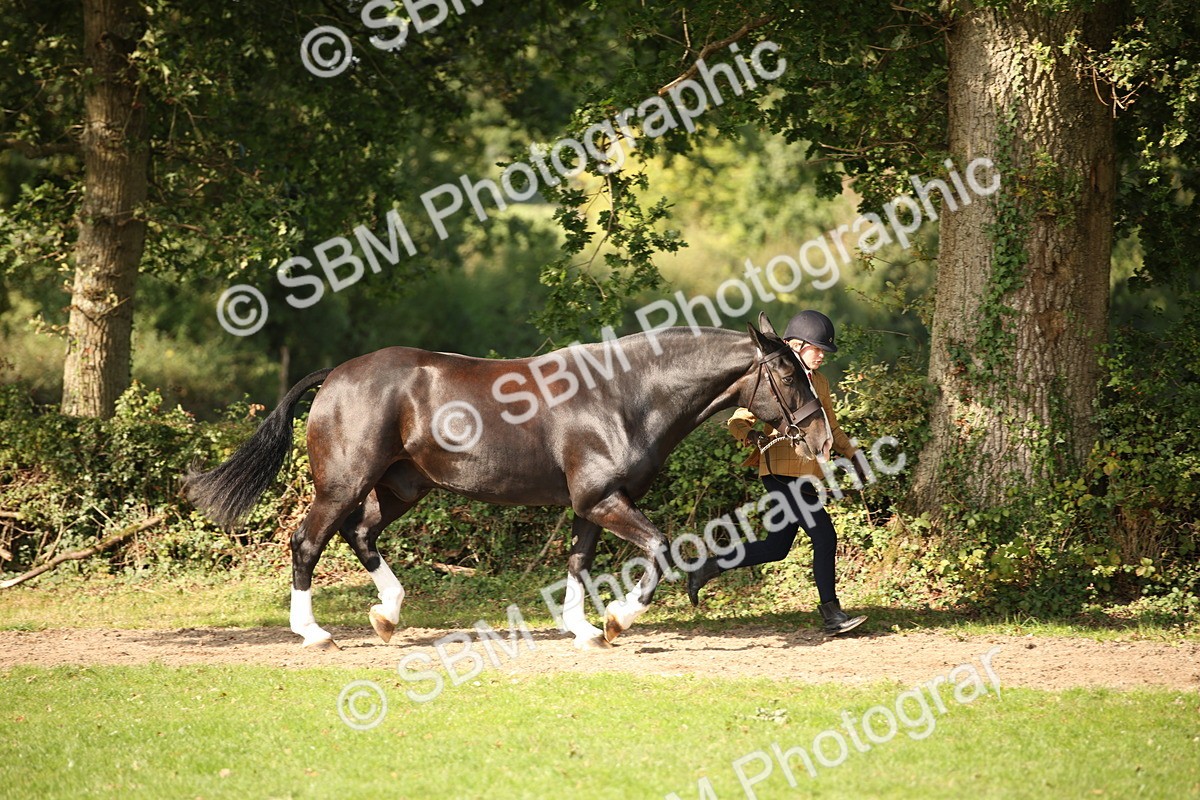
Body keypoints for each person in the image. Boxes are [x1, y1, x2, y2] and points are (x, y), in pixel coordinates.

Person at [688, 309, 867, 635]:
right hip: (780, 473)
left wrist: (854, 455)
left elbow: (831, 427)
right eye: (817, 348)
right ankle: (832, 615)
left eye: (825, 351)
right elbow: (738, 419)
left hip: (807, 475)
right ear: (795, 345)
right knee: (825, 537)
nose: (822, 355)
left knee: (776, 548)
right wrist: (750, 435)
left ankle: (707, 566)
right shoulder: (777, 375)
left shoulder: (821, 383)